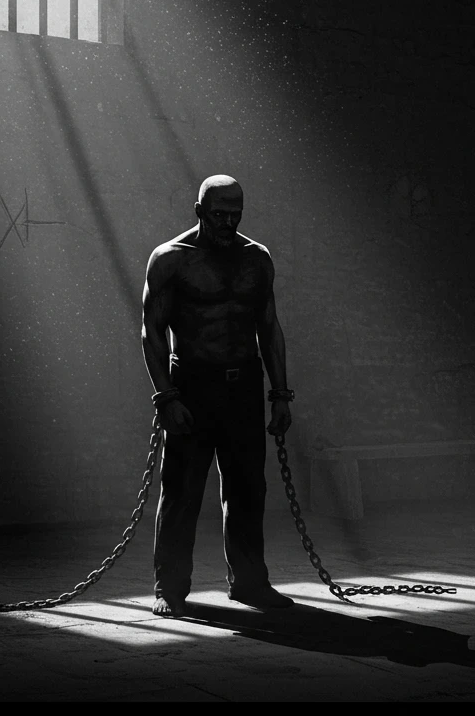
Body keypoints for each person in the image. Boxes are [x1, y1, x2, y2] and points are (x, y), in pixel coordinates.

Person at [140, 175, 295, 617]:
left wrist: (280, 393)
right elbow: (151, 332)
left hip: (243, 385)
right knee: (182, 491)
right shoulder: (171, 259)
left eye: (235, 214)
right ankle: (169, 589)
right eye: (218, 215)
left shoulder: (255, 258)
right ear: (199, 210)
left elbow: (269, 327)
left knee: (248, 490)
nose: (228, 223)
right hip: (191, 384)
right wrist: (166, 398)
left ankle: (249, 582)